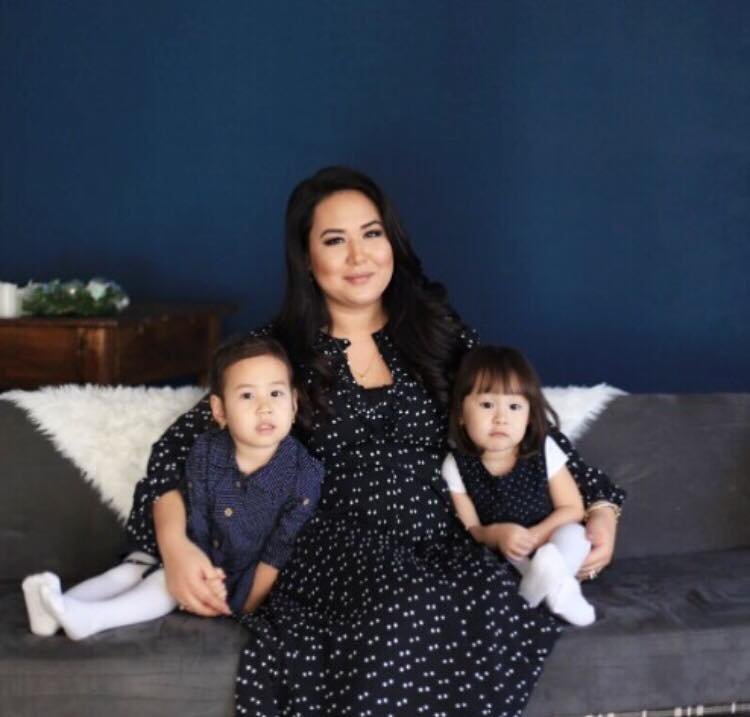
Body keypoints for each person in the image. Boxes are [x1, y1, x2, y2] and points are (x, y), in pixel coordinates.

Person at [124, 166, 626, 716]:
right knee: (397, 608)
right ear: (306, 259)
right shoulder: (275, 352)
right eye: (334, 241)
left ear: (392, 242)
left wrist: (601, 510)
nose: (359, 256)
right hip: (331, 554)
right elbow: (175, 452)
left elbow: (525, 426)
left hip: (445, 545)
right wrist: (175, 546)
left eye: (371, 233)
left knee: (458, 604)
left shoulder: (439, 333)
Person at [21, 335, 323, 640]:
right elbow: (196, 513)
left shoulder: (304, 473)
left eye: (276, 393)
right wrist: (185, 558)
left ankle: (90, 619)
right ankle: (54, 607)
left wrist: (246, 605)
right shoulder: (207, 450)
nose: (264, 408)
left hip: (231, 580)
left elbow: (278, 550)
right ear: (219, 411)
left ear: (294, 403)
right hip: (188, 553)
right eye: (247, 396)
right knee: (128, 572)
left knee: (162, 584)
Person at [443, 345, 625, 627]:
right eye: (487, 405)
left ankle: (547, 585)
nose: (501, 417)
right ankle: (551, 592)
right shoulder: (456, 465)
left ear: (529, 417)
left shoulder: (543, 450)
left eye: (514, 407)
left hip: (552, 539)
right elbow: (472, 529)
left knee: (576, 536)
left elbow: (573, 508)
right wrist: (497, 535)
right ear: (460, 414)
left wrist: (537, 535)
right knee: (489, 564)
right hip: (509, 552)